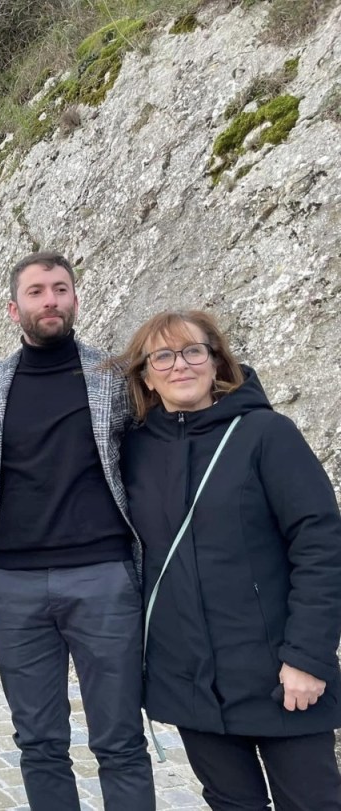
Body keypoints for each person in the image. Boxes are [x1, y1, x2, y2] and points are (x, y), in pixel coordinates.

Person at [117, 309, 341, 810]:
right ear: (146, 377)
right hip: (189, 681)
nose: (180, 365)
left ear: (216, 361)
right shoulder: (134, 451)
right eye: (163, 357)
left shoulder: (267, 434)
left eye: (193, 351)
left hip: (278, 674)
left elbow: (321, 545)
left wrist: (307, 657)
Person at [0, 251, 156, 809]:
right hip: (13, 584)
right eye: (36, 291)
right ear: (13, 308)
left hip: (104, 579)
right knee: (39, 743)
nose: (50, 300)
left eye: (60, 289)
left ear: (74, 298)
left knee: (121, 741)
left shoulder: (114, 377)